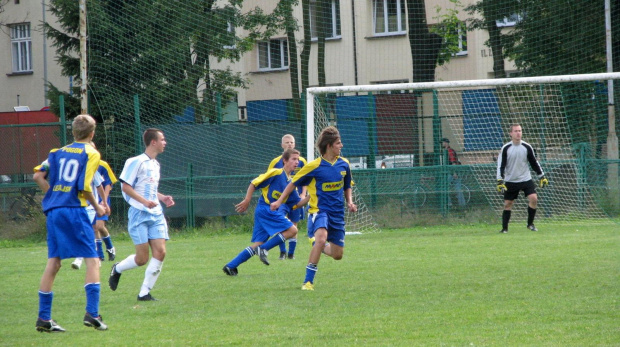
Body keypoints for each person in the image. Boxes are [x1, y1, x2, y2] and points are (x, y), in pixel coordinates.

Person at [32, 114, 108, 332]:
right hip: (75, 210)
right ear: (92, 133)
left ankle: (44, 318)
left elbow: (38, 176)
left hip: (55, 212)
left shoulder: (57, 152)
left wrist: (54, 196)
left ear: (73, 132)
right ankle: (92, 314)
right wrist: (99, 206)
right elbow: (84, 187)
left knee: (53, 262)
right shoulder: (91, 153)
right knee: (93, 260)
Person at [271, 126, 357, 291]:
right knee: (321, 238)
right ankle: (308, 282)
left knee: (337, 255)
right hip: (319, 211)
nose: (342, 146)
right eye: (339, 143)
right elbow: (292, 184)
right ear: (329, 145)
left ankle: (315, 242)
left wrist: (350, 202)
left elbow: (347, 186)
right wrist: (279, 201)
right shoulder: (314, 166)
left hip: (337, 214)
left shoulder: (344, 164)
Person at [108, 128, 175, 301]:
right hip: (139, 214)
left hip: (156, 214)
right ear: (153, 142)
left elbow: (149, 189)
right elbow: (126, 187)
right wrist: (144, 202)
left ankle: (144, 293)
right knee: (142, 259)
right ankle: (118, 268)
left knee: (160, 252)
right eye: (162, 139)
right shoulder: (135, 161)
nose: (165, 142)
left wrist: (163, 197)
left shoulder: (155, 164)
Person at [223, 148, 309, 276]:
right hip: (265, 209)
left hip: (266, 212)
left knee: (258, 243)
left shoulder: (291, 183)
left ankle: (231, 266)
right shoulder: (275, 173)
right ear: (284, 160)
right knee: (293, 230)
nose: (297, 162)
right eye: (293, 159)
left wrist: (311, 196)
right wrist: (247, 200)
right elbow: (254, 183)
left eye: (298, 160)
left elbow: (297, 204)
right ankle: (263, 250)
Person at [496, 124, 548, 233]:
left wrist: (541, 176)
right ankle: (504, 228)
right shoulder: (506, 148)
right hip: (511, 180)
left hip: (526, 179)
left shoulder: (527, 147)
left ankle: (530, 224)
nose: (518, 133)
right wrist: (500, 181)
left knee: (534, 198)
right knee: (507, 204)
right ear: (510, 133)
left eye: (520, 130)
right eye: (515, 131)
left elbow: (534, 162)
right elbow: (501, 165)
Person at [267, 134, 308, 260]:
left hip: (295, 198)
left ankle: (291, 253)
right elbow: (269, 178)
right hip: (282, 199)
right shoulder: (276, 162)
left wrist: (303, 194)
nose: (289, 144)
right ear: (282, 145)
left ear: (294, 144)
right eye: (287, 142)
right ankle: (282, 252)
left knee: (294, 224)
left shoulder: (301, 161)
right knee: (282, 223)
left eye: (291, 142)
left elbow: (306, 178)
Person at [95, 156, 118, 261]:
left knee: (99, 226)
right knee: (94, 227)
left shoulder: (102, 164)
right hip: (90, 200)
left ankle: (110, 247)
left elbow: (108, 183)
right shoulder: (83, 163)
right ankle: (99, 255)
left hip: (102, 199)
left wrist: (105, 200)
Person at [440, 138, 466, 207]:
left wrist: (454, 173)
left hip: (452, 173)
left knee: (444, 187)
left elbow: (453, 162)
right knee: (457, 188)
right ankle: (462, 204)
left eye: (442, 143)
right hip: (453, 172)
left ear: (446, 143)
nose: (441, 144)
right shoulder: (448, 151)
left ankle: (449, 203)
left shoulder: (449, 151)